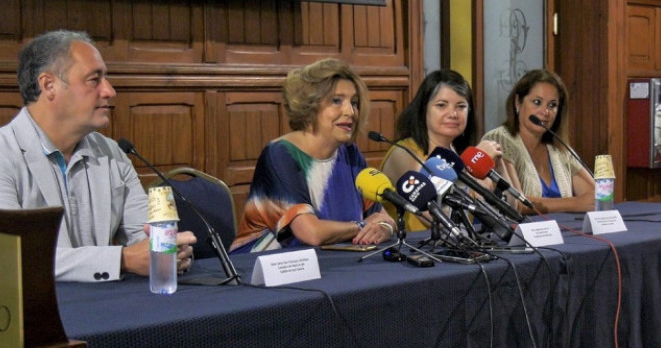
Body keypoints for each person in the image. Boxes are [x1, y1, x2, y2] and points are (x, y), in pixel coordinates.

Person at [0, 30, 196, 282]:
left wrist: (167, 250)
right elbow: (12, 259)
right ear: (49, 85)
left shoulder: (112, 153)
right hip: (31, 314)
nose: (109, 91)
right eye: (94, 80)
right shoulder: (5, 153)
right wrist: (122, 260)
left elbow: (143, 235)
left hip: (103, 308)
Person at [230, 58, 396, 252]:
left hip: (332, 264)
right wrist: (361, 226)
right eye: (336, 101)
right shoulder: (281, 154)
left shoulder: (350, 154)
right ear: (310, 106)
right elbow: (310, 233)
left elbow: (382, 217)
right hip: (265, 268)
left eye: (354, 103)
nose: (350, 111)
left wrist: (384, 228)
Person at [379, 69, 508, 231]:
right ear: (423, 109)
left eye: (461, 106)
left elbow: (510, 210)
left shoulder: (457, 154)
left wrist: (499, 171)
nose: (453, 114)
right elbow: (438, 216)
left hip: (458, 249)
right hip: (413, 251)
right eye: (441, 105)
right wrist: (471, 171)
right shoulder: (404, 152)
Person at [482, 69, 594, 213]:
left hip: (565, 232)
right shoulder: (499, 140)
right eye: (537, 102)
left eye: (552, 105)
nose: (545, 112)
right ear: (518, 102)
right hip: (520, 233)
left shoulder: (559, 148)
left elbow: (596, 197)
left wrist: (586, 201)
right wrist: (574, 203)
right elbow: (516, 203)